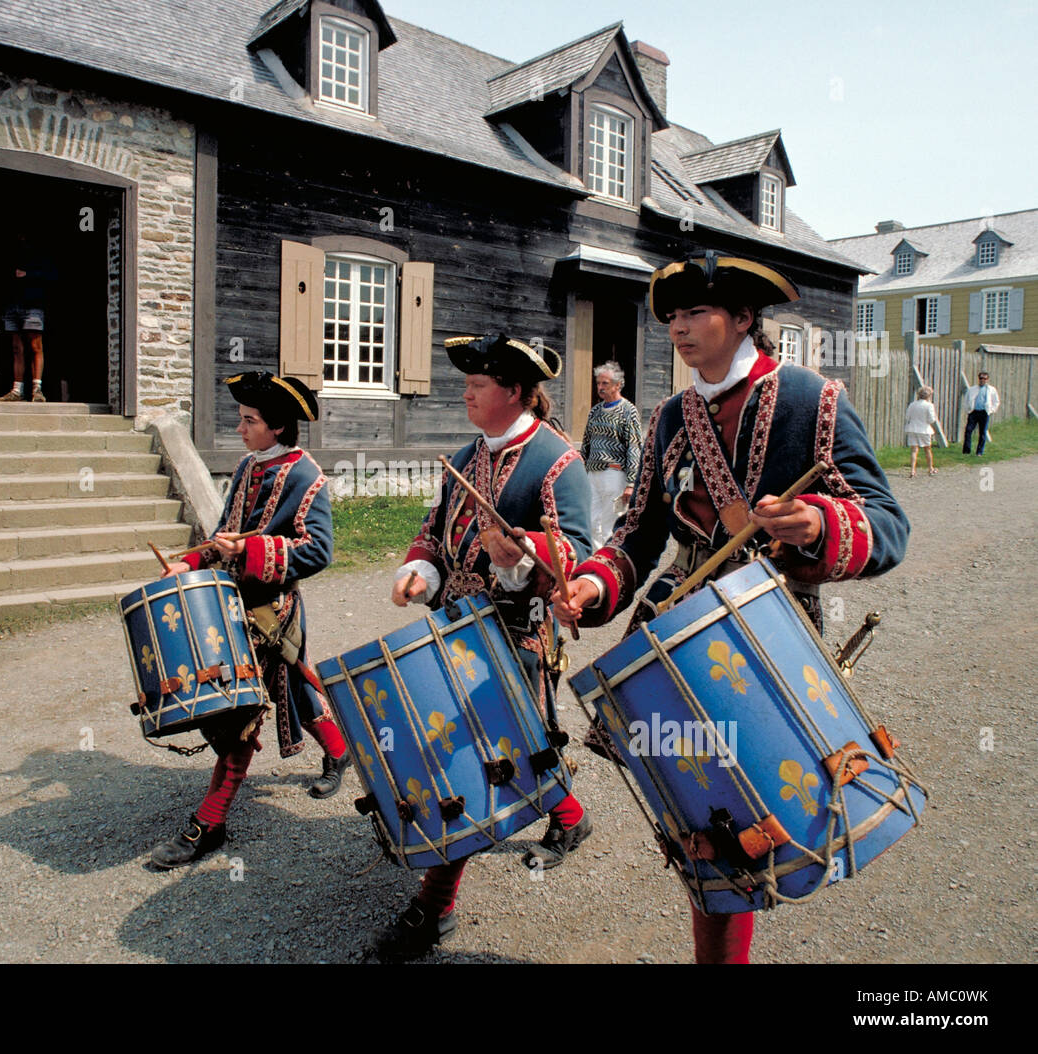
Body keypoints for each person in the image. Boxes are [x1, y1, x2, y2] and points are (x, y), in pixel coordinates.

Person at [553, 252, 910, 964]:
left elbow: (887, 522)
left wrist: (819, 524)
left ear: (744, 317)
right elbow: (638, 536)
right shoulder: (665, 420)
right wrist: (594, 584)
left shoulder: (813, 400)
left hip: (769, 629)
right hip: (676, 628)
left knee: (769, 805)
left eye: (696, 313)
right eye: (673, 316)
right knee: (701, 816)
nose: (680, 329)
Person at [377, 332, 594, 961]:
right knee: (515, 747)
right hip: (456, 630)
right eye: (467, 383)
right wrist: (421, 572)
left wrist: (522, 552)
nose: (466, 393)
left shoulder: (558, 461)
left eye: (479, 384)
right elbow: (433, 531)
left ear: (517, 393)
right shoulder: (464, 457)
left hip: (519, 634)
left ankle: (433, 908)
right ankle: (572, 816)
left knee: (467, 765)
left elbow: (576, 548)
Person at [149, 371, 351, 868]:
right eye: (241, 419)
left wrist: (253, 550)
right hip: (231, 606)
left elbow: (319, 550)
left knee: (240, 712)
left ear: (278, 426)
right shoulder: (245, 467)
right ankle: (340, 750)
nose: (240, 428)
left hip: (274, 611)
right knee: (296, 688)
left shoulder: (307, 476)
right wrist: (189, 563)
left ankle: (209, 822)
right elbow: (223, 533)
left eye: (249, 421)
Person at [581, 361, 643, 549]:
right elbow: (586, 443)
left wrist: (631, 483)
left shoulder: (628, 411)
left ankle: (608, 563)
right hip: (593, 474)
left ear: (617, 385)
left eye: (605, 383)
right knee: (591, 522)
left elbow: (634, 446)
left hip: (614, 474)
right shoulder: (595, 411)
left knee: (611, 524)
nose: (600, 387)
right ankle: (593, 562)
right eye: (598, 383)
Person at [0, 233, 56, 403]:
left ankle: (37, 390)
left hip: (33, 305)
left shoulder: (41, 254)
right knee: (17, 349)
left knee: (35, 346)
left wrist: (28, 274)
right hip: (12, 305)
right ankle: (17, 390)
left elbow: (52, 275)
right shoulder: (11, 254)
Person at [962, 370, 999, 456]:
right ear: (978, 379)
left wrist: (991, 410)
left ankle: (979, 452)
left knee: (982, 432)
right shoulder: (972, 389)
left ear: (987, 379)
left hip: (984, 412)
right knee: (968, 430)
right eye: (981, 378)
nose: (982, 380)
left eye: (984, 378)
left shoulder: (991, 390)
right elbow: (967, 400)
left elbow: (996, 401)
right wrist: (968, 410)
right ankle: (966, 451)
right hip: (974, 412)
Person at [905, 386, 939, 477]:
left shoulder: (912, 404)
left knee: (914, 450)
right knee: (927, 449)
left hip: (912, 429)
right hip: (924, 430)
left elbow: (907, 417)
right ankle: (930, 468)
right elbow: (932, 419)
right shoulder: (929, 405)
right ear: (929, 396)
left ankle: (912, 470)